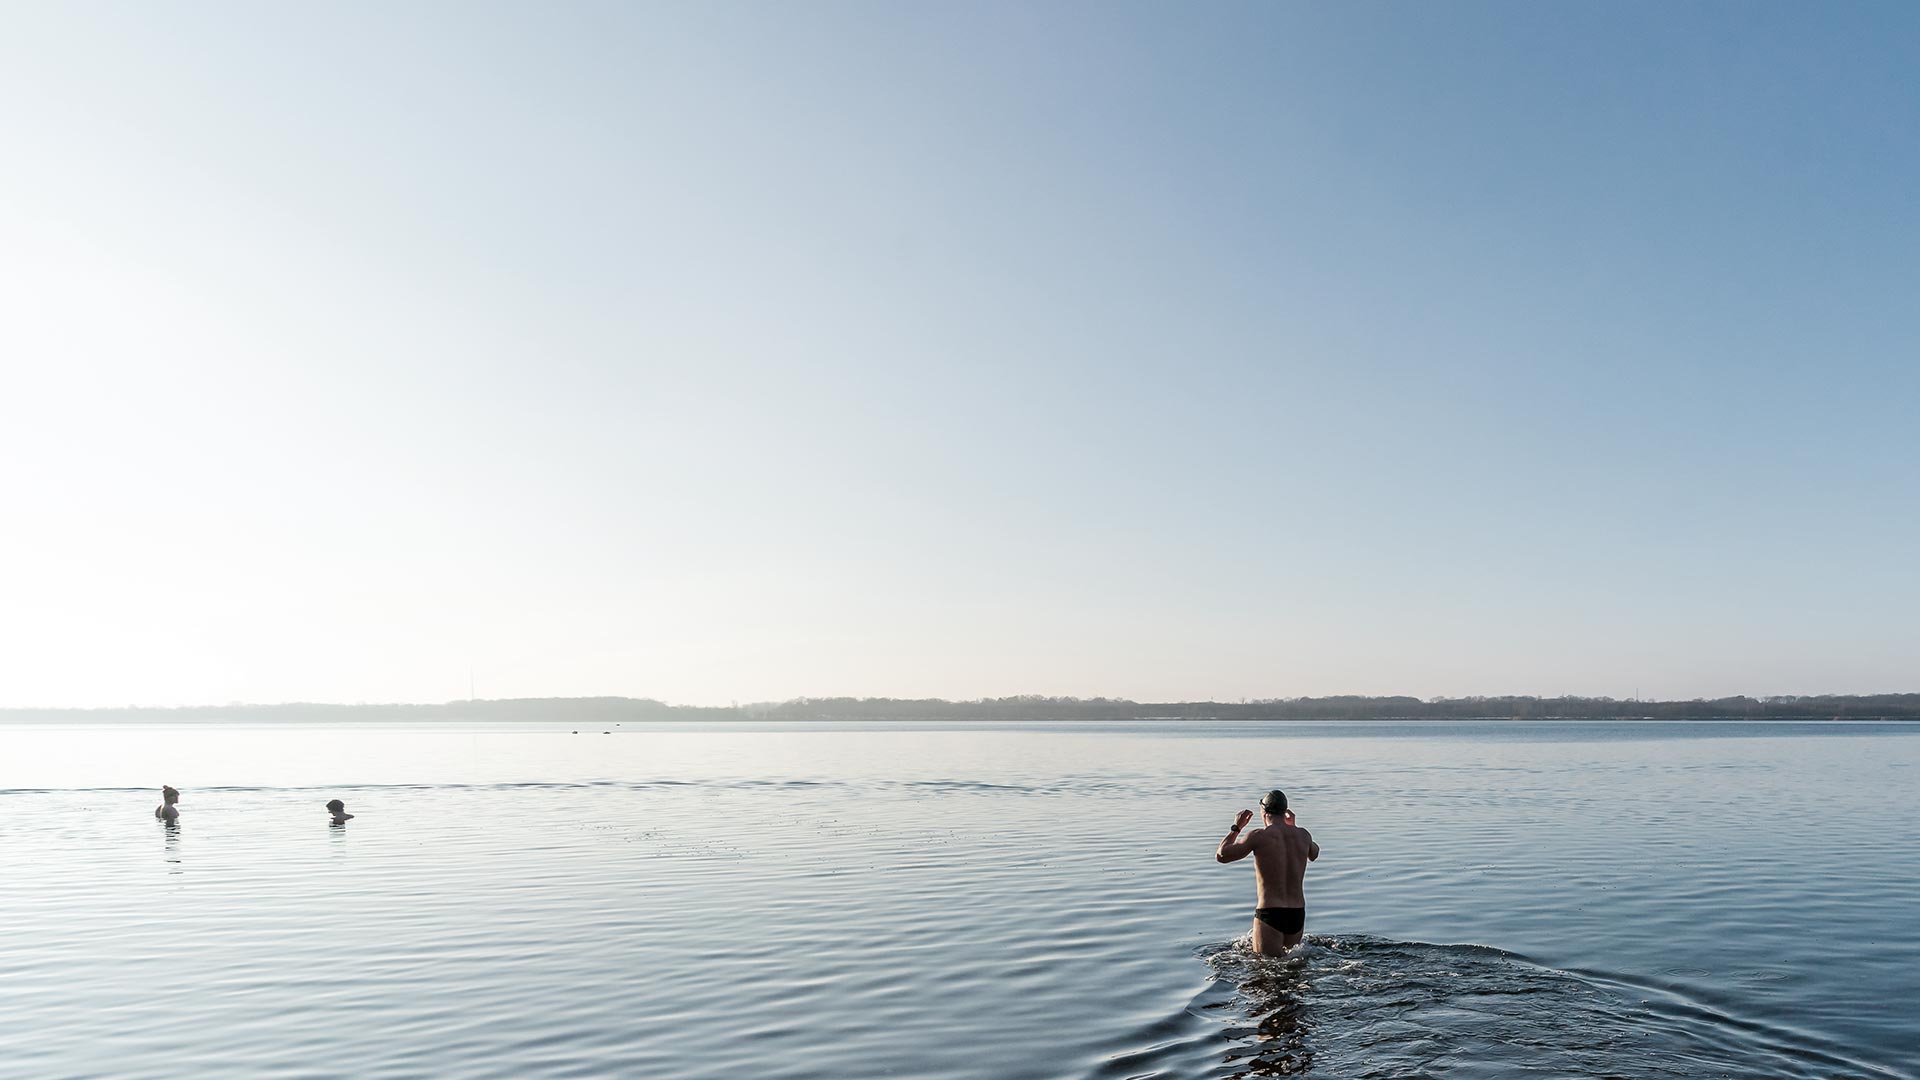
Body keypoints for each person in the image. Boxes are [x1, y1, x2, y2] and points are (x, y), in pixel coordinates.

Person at [1216, 788, 1320, 956]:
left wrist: (1236, 827)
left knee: (1265, 973)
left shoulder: (1259, 836)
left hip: (1270, 913)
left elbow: (1222, 855)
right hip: (1297, 913)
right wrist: (1293, 828)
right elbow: (1314, 854)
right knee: (1292, 972)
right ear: (1285, 812)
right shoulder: (1303, 835)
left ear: (1263, 811)